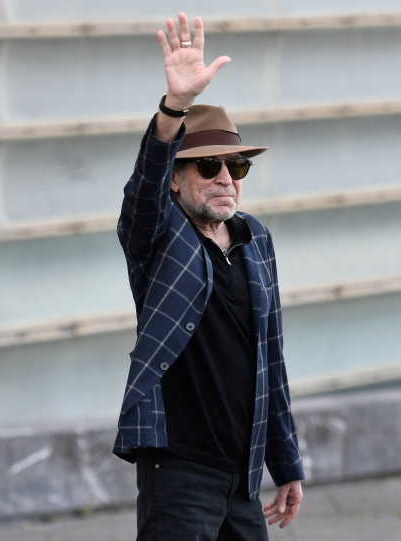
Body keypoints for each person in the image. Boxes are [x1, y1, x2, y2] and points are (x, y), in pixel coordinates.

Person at [112, 12, 304, 540]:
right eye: (209, 165)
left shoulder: (254, 240)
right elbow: (143, 192)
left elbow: (272, 357)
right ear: (177, 180)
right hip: (179, 470)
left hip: (241, 476)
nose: (226, 178)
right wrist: (173, 108)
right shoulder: (159, 238)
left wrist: (284, 462)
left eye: (236, 166)